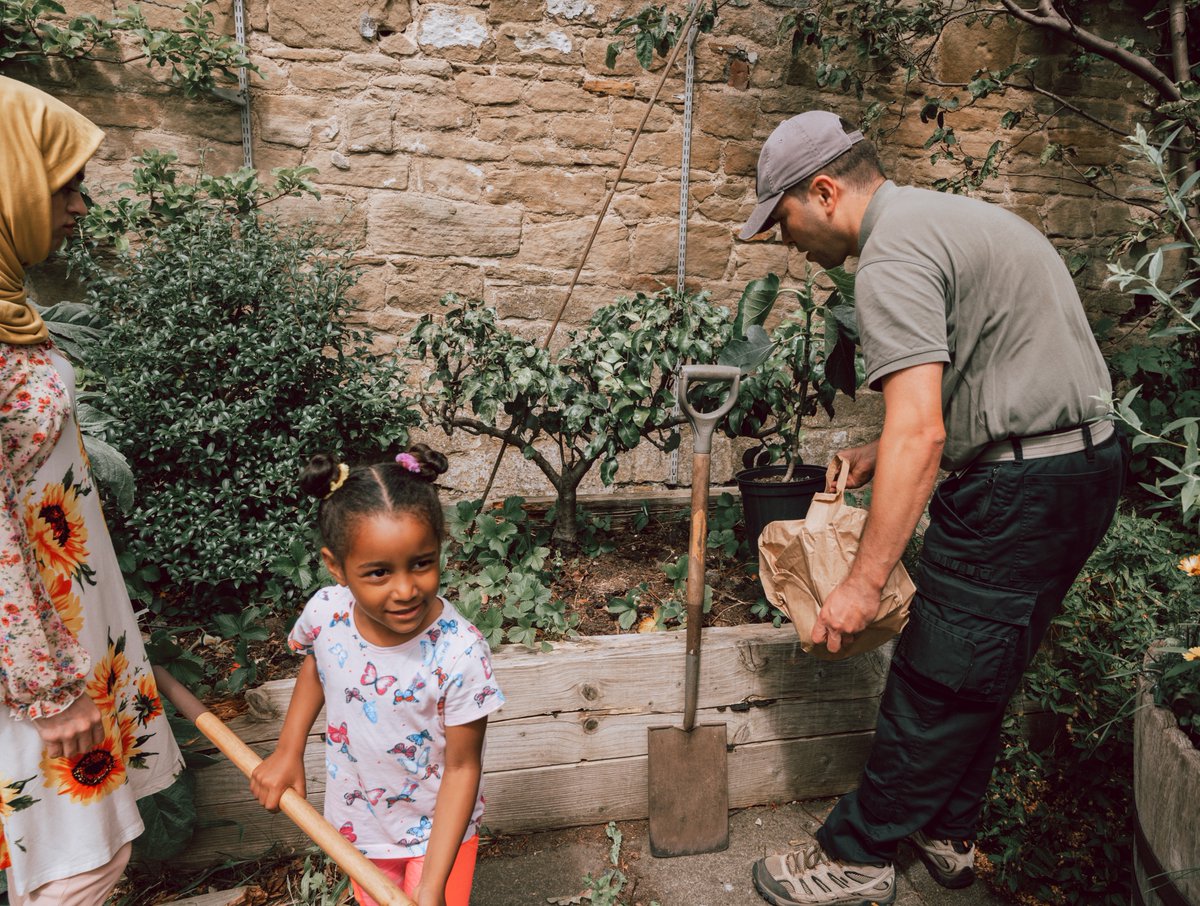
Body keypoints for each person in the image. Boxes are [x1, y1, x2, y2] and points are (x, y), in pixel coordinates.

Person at [739, 111, 1126, 906]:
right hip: (1084, 468)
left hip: (1021, 490)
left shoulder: (890, 258)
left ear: (824, 192)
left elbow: (921, 430)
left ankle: (858, 857)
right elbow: (996, 364)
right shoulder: (945, 219)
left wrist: (861, 583)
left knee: (939, 670)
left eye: (783, 220)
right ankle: (946, 831)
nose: (786, 243)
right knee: (983, 663)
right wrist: (878, 448)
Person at [0, 76, 185, 904]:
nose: (80, 205)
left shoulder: (7, 308)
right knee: (79, 869)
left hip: (55, 644)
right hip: (31, 672)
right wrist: (46, 691)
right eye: (64, 183)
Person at [251, 445, 504, 906]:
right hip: (360, 827)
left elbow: (463, 768)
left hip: (439, 836)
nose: (405, 589)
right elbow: (318, 666)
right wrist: (288, 750)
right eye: (379, 572)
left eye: (422, 563)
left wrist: (433, 886)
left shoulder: (460, 653)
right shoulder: (326, 614)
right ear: (336, 566)